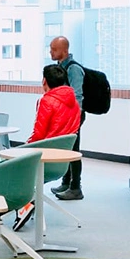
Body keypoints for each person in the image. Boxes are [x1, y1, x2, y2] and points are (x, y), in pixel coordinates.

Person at [48, 36, 85, 200]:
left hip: (74, 115)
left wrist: (73, 118)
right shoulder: (60, 67)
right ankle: (66, 182)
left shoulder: (73, 69)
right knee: (66, 148)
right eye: (50, 48)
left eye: (54, 49)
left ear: (65, 50)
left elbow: (77, 96)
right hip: (65, 114)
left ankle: (76, 188)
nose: (51, 52)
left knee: (73, 150)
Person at [29, 64, 82, 142]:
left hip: (47, 147)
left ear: (44, 81)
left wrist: (26, 145)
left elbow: (39, 134)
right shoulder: (75, 102)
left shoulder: (46, 101)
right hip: (66, 147)